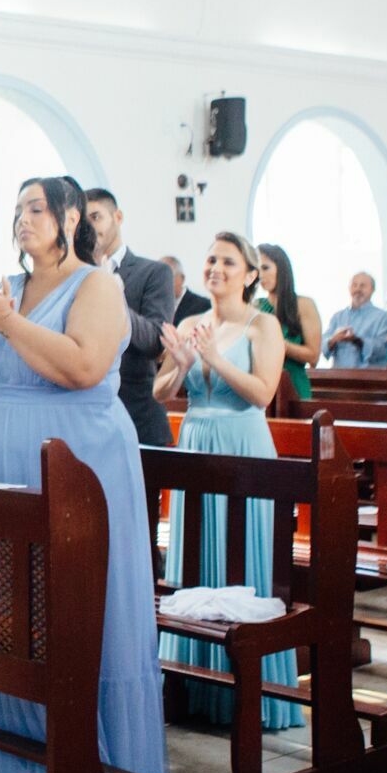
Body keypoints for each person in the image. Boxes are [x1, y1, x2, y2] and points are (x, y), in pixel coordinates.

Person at [0, 176, 168, 773]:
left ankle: (95, 772)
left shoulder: (99, 285)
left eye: (36, 209)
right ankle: (29, 764)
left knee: (79, 606)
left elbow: (82, 366)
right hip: (10, 457)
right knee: (21, 608)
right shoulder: (7, 290)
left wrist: (8, 321)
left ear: (72, 216)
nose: (23, 220)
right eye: (16, 210)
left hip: (80, 458)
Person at [153, 233, 302, 730]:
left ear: (250, 274)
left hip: (243, 445)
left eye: (228, 261)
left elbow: (261, 394)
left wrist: (215, 359)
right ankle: (192, 688)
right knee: (196, 556)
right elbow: (160, 393)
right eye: (211, 258)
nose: (215, 267)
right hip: (196, 437)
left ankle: (254, 694)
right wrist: (180, 367)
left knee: (244, 554)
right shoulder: (191, 322)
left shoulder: (265, 326)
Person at [85, 188, 178, 445]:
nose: (90, 227)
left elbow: (154, 341)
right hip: (86, 416)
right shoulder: (76, 276)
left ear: (118, 216)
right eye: (84, 221)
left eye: (96, 217)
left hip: (137, 413)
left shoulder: (154, 272)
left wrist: (112, 295)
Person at [255, 243, 319, 401]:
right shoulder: (256, 306)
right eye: (256, 269)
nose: (260, 275)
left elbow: (313, 356)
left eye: (265, 268)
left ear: (281, 268)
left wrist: (279, 344)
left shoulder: (304, 304)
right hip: (260, 387)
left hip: (293, 387)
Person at [322, 271, 387, 367]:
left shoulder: (383, 317)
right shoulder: (338, 317)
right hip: (339, 377)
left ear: (372, 289)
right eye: (354, 285)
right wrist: (334, 339)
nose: (358, 289)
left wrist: (357, 340)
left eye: (362, 286)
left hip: (371, 378)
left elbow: (382, 349)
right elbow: (323, 345)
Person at [164, 254, 211, 323]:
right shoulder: (151, 306)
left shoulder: (204, 306)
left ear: (182, 278)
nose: (162, 284)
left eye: (167, 278)